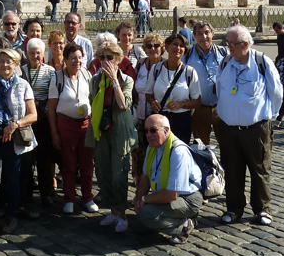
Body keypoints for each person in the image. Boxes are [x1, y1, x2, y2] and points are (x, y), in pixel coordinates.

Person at [216, 25, 282, 226]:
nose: (229, 47)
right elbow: (220, 88)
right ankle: (234, 208)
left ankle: (262, 209)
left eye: (232, 44)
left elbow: (276, 93)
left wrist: (268, 117)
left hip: (256, 128)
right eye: (227, 43)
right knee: (232, 170)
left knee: (260, 169)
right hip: (228, 128)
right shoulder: (226, 62)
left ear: (245, 44)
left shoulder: (262, 62)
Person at [0, 49, 37, 234]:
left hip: (13, 139)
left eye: (9, 61)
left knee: (12, 179)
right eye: (1, 61)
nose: (5, 65)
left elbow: (33, 115)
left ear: (16, 64)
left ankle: (11, 216)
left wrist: (15, 125)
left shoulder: (23, 85)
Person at [87, 41, 136, 232]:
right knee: (104, 172)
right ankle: (113, 211)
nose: (105, 61)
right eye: (102, 58)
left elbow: (124, 105)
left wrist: (114, 82)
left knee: (119, 173)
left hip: (119, 131)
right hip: (102, 130)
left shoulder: (126, 80)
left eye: (110, 57)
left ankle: (122, 213)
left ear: (118, 59)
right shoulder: (95, 81)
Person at [133, 114, 203, 244]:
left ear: (166, 130)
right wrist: (138, 200)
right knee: (138, 223)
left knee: (146, 214)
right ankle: (170, 220)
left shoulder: (178, 151)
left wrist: (144, 199)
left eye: (153, 130)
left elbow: (172, 194)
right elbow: (145, 176)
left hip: (188, 198)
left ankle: (184, 226)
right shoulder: (152, 146)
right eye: (146, 130)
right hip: (167, 194)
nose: (148, 135)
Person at [48, 43, 97, 215]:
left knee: (87, 164)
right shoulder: (58, 78)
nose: (77, 61)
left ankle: (87, 197)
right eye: (73, 58)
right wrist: (54, 133)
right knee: (68, 164)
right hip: (65, 125)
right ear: (66, 60)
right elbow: (52, 108)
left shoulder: (87, 74)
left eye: (80, 57)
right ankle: (69, 198)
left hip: (85, 125)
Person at [145, 34, 201, 144]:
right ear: (167, 47)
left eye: (182, 46)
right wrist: (152, 102)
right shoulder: (156, 69)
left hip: (181, 120)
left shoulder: (190, 72)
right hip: (160, 119)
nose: (178, 48)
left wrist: (182, 104)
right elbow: (148, 93)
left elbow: (197, 101)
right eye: (175, 44)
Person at [20, 38, 56, 208]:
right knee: (26, 156)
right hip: (27, 119)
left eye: (38, 53)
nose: (35, 55)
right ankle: (26, 192)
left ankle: (46, 192)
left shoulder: (50, 72)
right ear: (27, 54)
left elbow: (53, 95)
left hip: (43, 120)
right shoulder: (20, 71)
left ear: (43, 54)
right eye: (32, 52)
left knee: (45, 158)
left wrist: (44, 110)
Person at [182, 21, 226, 145]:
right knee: (201, 147)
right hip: (199, 108)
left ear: (212, 34)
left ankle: (225, 165)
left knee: (227, 144)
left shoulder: (224, 53)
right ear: (194, 36)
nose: (204, 37)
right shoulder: (187, 56)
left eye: (207, 33)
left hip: (221, 106)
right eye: (199, 34)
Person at [131, 33, 164, 185]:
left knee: (159, 155)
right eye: (149, 46)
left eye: (156, 45)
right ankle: (139, 189)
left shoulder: (165, 65)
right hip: (140, 117)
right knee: (139, 155)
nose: (153, 49)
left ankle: (158, 188)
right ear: (144, 48)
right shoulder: (140, 64)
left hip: (158, 119)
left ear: (162, 48)